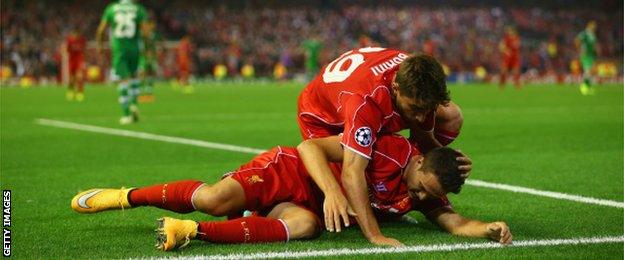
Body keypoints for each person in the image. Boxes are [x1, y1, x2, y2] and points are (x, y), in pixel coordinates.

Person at [71, 135, 511, 251]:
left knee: (302, 227)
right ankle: (124, 196)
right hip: (292, 173)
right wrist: (336, 194)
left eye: (424, 196)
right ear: (417, 162)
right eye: (418, 187)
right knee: (212, 197)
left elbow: (454, 222)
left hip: (303, 206)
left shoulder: (428, 191)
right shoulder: (387, 147)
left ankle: (189, 232)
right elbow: (310, 147)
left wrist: (486, 228)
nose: (415, 198)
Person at [297, 47, 464, 246]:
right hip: (323, 118)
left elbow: (425, 141)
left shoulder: (417, 73)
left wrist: (451, 163)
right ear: (396, 87)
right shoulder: (366, 103)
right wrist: (375, 235)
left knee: (451, 115)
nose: (421, 117)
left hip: (362, 98)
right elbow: (352, 172)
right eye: (415, 109)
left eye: (426, 110)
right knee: (345, 198)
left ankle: (391, 196)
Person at [96, 0, 149, 125]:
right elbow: (146, 32)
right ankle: (134, 105)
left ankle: (126, 114)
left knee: (123, 80)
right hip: (134, 48)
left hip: (119, 49)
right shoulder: (138, 9)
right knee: (134, 77)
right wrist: (146, 48)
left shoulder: (111, 8)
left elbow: (100, 30)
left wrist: (100, 46)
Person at [137, 16, 160, 103]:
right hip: (143, 56)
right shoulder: (143, 34)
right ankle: (139, 93)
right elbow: (141, 45)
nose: (153, 26)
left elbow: (155, 45)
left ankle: (148, 93)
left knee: (151, 73)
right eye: (152, 24)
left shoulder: (154, 34)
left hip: (152, 57)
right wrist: (145, 53)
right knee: (142, 74)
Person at [63, 27, 87, 102]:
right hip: (71, 61)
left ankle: (80, 93)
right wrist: (65, 55)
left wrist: (84, 60)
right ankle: (70, 91)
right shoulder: (69, 40)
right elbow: (65, 49)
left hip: (79, 61)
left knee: (79, 77)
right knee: (71, 79)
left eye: (76, 34)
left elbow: (84, 50)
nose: (75, 35)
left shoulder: (82, 40)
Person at [575, 21, 598, 95]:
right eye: (593, 25)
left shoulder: (592, 35)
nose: (594, 27)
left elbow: (593, 45)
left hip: (592, 55)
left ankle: (588, 86)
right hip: (586, 55)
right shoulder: (584, 34)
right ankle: (584, 87)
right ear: (588, 26)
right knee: (588, 70)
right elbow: (577, 40)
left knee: (592, 71)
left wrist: (595, 52)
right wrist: (580, 49)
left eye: (594, 26)